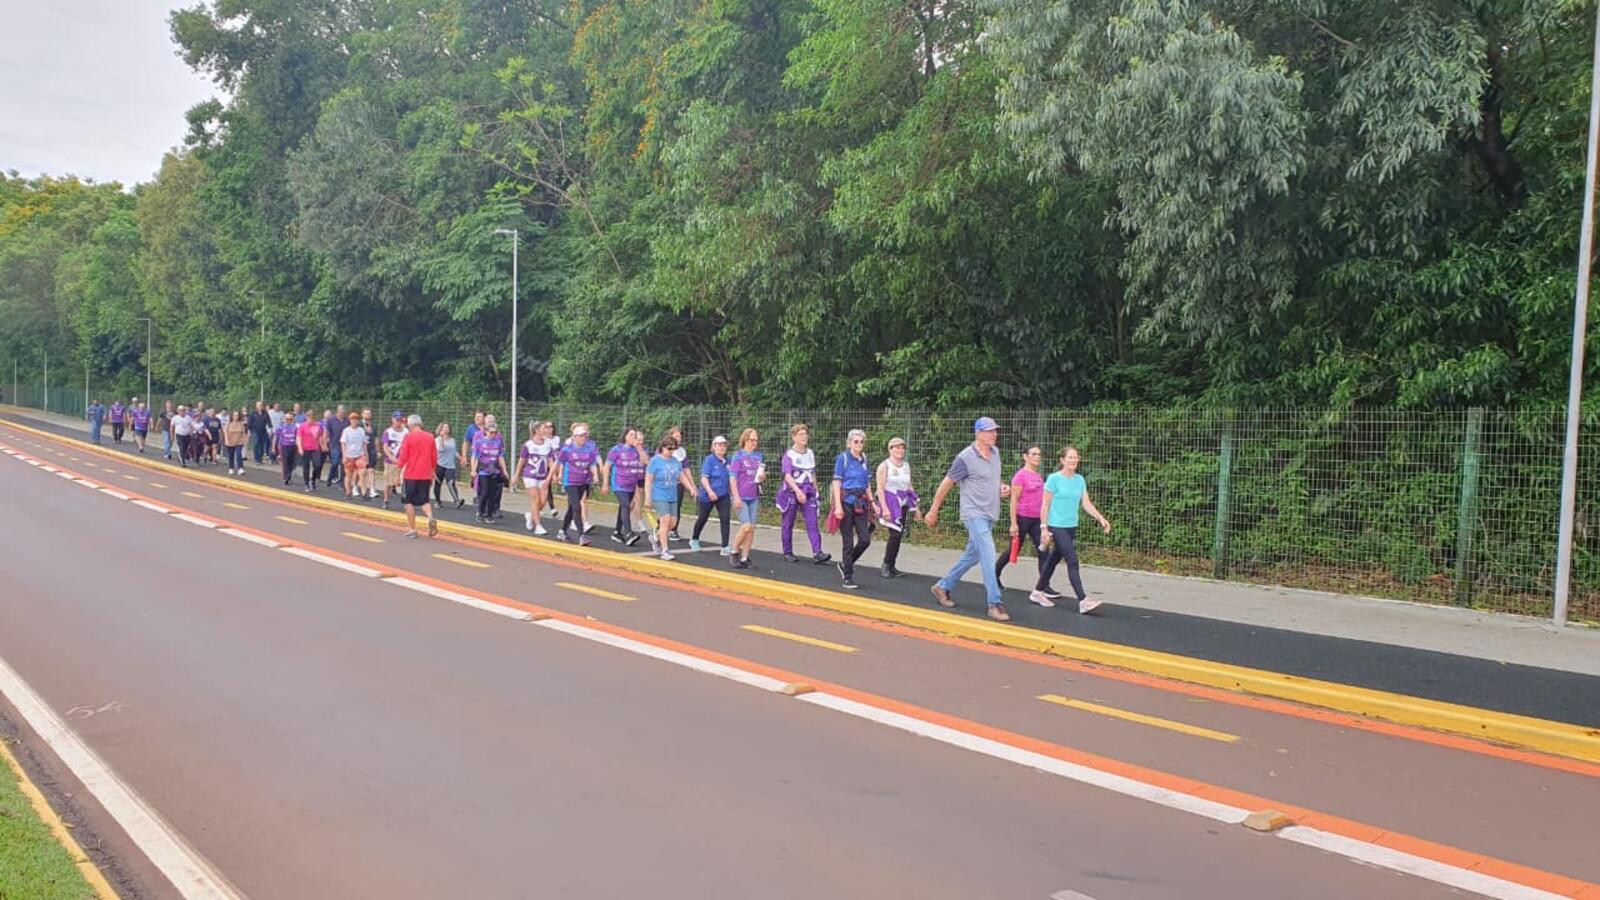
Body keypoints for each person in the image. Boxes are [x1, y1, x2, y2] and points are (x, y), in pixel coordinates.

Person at [925, 417, 1011, 620]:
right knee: (989, 553)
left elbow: (991, 479)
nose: (994, 434)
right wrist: (933, 510)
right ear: (978, 433)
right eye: (989, 431)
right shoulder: (965, 458)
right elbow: (947, 483)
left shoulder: (996, 453)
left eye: (995, 431)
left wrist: (1001, 488)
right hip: (973, 514)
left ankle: (942, 586)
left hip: (990, 513)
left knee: (973, 554)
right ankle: (994, 603)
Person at [1037, 446, 1113, 614]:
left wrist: (1100, 518)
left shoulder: (1080, 480)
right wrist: (1044, 528)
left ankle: (1037, 591)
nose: (1073, 460)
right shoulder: (1054, 479)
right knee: (1072, 560)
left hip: (1071, 526)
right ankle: (1083, 600)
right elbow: (1045, 505)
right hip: (1056, 526)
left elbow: (1086, 503)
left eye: (1076, 457)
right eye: (1070, 457)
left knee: (1054, 559)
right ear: (1062, 460)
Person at [996, 446, 1049, 603]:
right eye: (1033, 454)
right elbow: (1013, 500)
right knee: (1014, 549)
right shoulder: (1020, 476)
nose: (1037, 457)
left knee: (1043, 549)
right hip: (1022, 517)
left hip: (1036, 519)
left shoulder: (1039, 476)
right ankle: (994, 574)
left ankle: (1044, 585)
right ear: (1025, 457)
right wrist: (1013, 523)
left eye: (1039, 454)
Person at [830, 429, 877, 590]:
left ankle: (846, 564)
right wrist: (837, 505)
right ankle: (848, 576)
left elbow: (867, 484)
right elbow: (837, 482)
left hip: (860, 503)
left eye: (861, 442)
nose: (858, 445)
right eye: (855, 441)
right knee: (848, 540)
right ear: (849, 443)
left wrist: (873, 502)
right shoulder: (842, 459)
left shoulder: (864, 459)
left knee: (865, 539)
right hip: (846, 502)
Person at [777, 424, 830, 564]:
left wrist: (816, 490)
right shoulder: (789, 455)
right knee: (788, 522)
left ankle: (818, 552)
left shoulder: (810, 453)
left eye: (805, 434)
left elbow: (812, 474)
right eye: (800, 434)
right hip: (792, 492)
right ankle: (787, 551)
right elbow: (787, 476)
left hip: (808, 491)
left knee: (813, 521)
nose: (804, 437)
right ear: (794, 437)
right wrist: (797, 491)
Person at [644, 436, 697, 561]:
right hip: (659, 494)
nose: (671, 451)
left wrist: (690, 488)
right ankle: (665, 550)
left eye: (674, 449)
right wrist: (648, 496)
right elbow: (649, 479)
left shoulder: (675, 461)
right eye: (669, 449)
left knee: (672, 523)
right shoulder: (655, 461)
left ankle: (656, 537)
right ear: (663, 447)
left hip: (672, 495)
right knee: (665, 521)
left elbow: (681, 476)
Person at [876, 437, 919, 578]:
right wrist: (884, 508)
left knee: (899, 534)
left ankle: (892, 565)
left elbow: (909, 486)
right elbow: (880, 489)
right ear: (890, 449)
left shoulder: (906, 466)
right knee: (894, 534)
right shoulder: (885, 466)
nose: (900, 450)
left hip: (903, 502)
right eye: (897, 447)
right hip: (890, 501)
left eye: (902, 448)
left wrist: (916, 507)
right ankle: (886, 565)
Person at [395, 414, 440, 539]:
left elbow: (403, 457)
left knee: (408, 502)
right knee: (424, 501)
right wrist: (433, 471)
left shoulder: (408, 437)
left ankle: (412, 529)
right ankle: (430, 517)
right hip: (425, 474)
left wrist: (398, 475)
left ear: (410, 425)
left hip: (411, 474)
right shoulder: (430, 437)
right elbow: (434, 457)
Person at [555, 422, 600, 545]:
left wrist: (595, 475)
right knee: (576, 507)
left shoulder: (589, 449)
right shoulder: (567, 450)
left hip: (583, 481)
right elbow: (560, 463)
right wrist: (557, 475)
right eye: (580, 436)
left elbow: (592, 464)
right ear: (574, 437)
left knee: (571, 508)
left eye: (584, 436)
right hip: (570, 482)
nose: (583, 438)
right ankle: (582, 535)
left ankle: (562, 530)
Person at [727, 428, 765, 569]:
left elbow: (759, 476)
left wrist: (762, 477)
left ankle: (744, 557)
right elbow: (732, 478)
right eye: (752, 440)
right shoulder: (738, 457)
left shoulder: (758, 457)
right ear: (745, 440)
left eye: (756, 440)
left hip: (753, 495)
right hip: (741, 496)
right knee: (746, 526)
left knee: (751, 528)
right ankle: (734, 550)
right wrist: (736, 497)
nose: (754, 443)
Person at [604, 428, 646, 545]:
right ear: (626, 437)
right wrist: (605, 483)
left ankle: (617, 532)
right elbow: (607, 466)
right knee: (626, 505)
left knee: (624, 507)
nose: (634, 437)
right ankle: (628, 533)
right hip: (619, 484)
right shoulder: (617, 450)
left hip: (631, 485)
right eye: (631, 435)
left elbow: (646, 462)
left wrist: (639, 448)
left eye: (635, 435)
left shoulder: (638, 450)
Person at [691, 435, 732, 552]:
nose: (722, 448)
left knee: (725, 519)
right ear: (713, 447)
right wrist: (710, 491)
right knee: (703, 518)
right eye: (719, 445)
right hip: (707, 495)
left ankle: (725, 546)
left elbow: (733, 478)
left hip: (723, 495)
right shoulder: (709, 460)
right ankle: (694, 539)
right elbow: (704, 478)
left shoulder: (729, 461)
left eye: (724, 445)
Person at [470, 418, 507, 524]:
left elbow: (500, 457)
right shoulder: (479, 442)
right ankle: (480, 512)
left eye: (495, 432)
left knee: (492, 494)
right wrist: (473, 470)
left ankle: (489, 514)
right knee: (485, 492)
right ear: (486, 432)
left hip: (494, 471)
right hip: (483, 471)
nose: (493, 434)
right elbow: (475, 457)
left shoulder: (497, 443)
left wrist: (504, 470)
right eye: (491, 432)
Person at [381, 411, 408, 509]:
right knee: (388, 481)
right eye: (397, 419)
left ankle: (406, 500)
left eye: (400, 419)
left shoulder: (406, 431)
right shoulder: (388, 432)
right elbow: (385, 446)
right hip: (391, 461)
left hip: (403, 461)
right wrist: (391, 457)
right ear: (392, 419)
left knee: (405, 480)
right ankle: (386, 500)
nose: (399, 421)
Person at [433, 422, 463, 508]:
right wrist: (442, 438)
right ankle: (438, 501)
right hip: (439, 465)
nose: (446, 429)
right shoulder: (437, 440)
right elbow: (441, 449)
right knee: (438, 483)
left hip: (450, 466)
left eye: (447, 427)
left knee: (451, 483)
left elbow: (454, 451)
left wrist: (461, 458)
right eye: (444, 427)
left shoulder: (452, 440)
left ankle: (457, 501)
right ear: (440, 429)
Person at [296, 409, 327, 491]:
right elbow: (299, 438)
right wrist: (300, 448)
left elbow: (320, 437)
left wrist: (323, 445)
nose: (311, 419)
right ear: (306, 417)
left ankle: (312, 480)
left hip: (315, 448)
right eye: (309, 417)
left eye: (313, 417)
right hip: (305, 448)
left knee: (317, 465)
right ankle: (306, 483)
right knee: (306, 467)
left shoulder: (318, 426)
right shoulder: (302, 426)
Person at [341, 412, 369, 499]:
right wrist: (344, 455)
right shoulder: (346, 431)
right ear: (350, 421)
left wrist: (366, 454)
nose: (354, 421)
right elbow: (343, 444)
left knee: (362, 473)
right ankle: (348, 491)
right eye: (352, 419)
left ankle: (364, 492)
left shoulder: (361, 430)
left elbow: (364, 444)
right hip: (349, 455)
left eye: (356, 419)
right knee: (349, 475)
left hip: (359, 455)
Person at [668, 426, 688, 541]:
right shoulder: (664, 449)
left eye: (680, 436)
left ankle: (674, 529)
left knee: (677, 506)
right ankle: (662, 525)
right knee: (667, 505)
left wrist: (691, 485)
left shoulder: (682, 452)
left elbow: (686, 469)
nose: (678, 438)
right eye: (676, 436)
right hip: (667, 483)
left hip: (679, 483)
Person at [275, 413, 300, 484]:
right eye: (287, 419)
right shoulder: (280, 427)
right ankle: (286, 477)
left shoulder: (296, 427)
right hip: (284, 446)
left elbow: (298, 438)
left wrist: (299, 447)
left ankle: (289, 476)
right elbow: (276, 438)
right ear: (284, 419)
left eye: (290, 419)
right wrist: (275, 448)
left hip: (293, 446)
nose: (289, 420)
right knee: (285, 462)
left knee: (291, 463)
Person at [326, 405, 347, 489]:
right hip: (334, 444)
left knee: (343, 464)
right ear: (337, 412)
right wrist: (326, 440)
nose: (343, 414)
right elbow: (327, 431)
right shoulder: (331, 420)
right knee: (335, 462)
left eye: (344, 413)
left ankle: (341, 482)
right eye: (341, 412)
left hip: (345, 445)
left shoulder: (347, 421)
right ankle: (330, 477)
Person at [223, 408, 249, 474]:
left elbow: (244, 433)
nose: (236, 417)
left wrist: (245, 440)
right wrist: (226, 440)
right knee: (231, 455)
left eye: (237, 415)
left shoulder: (241, 424)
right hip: (230, 442)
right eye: (234, 415)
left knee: (238, 454)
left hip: (239, 442)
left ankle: (240, 468)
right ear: (232, 416)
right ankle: (231, 468)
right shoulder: (228, 424)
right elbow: (225, 432)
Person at [361, 408, 379, 498]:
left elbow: (376, 438)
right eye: (366, 413)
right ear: (362, 414)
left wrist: (377, 450)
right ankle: (356, 487)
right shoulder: (359, 425)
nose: (368, 415)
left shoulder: (374, 426)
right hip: (361, 450)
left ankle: (372, 489)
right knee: (361, 471)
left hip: (371, 450)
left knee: (371, 470)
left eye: (369, 413)